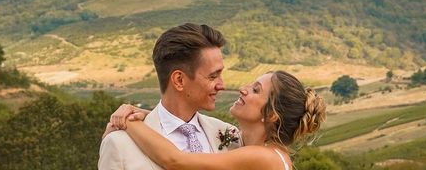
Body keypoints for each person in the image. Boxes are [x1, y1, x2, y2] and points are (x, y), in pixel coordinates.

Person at [110, 70, 326, 170]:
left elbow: (175, 161)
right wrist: (149, 115)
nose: (243, 89)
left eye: (255, 90)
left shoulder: (264, 157)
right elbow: (186, 124)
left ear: (271, 115)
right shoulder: (250, 144)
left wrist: (129, 122)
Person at [99, 23, 239, 170]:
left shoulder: (229, 134)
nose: (221, 85)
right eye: (213, 76)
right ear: (179, 80)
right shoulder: (118, 143)